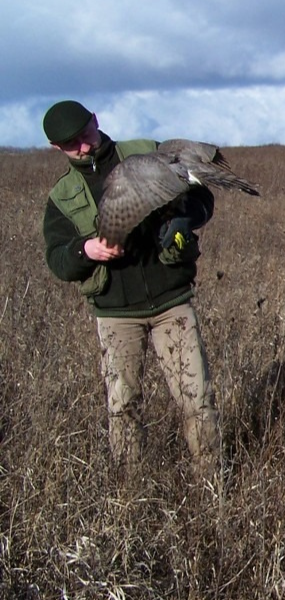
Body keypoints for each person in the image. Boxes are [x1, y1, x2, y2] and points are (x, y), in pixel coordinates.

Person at [41, 100, 220, 482]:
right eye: (72, 144)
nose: (84, 147)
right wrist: (87, 250)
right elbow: (57, 260)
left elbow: (203, 196)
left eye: (86, 135)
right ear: (58, 149)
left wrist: (181, 221)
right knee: (124, 407)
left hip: (172, 303)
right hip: (116, 315)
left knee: (198, 399)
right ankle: (131, 495)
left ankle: (211, 487)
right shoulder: (63, 197)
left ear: (96, 120)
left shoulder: (145, 152)